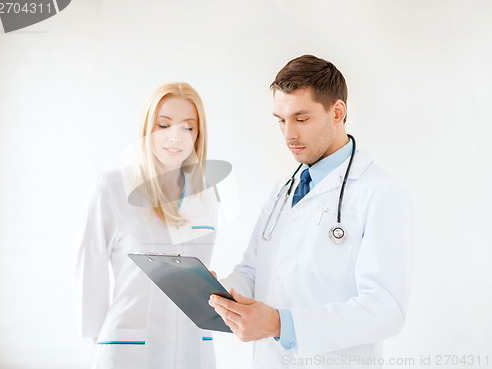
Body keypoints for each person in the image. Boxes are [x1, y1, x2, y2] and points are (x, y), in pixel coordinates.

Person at [209, 55, 414, 369]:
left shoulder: (380, 192)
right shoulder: (282, 190)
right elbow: (252, 271)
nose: (288, 134)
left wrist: (281, 324)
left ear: (337, 111)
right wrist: (224, 293)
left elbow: (386, 310)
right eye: (280, 119)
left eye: (301, 119)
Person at [74, 82, 219, 369]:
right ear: (146, 129)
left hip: (193, 348)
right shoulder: (112, 188)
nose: (175, 137)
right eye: (163, 125)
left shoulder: (207, 196)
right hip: (127, 351)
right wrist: (104, 342)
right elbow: (89, 271)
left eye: (188, 127)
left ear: (198, 135)